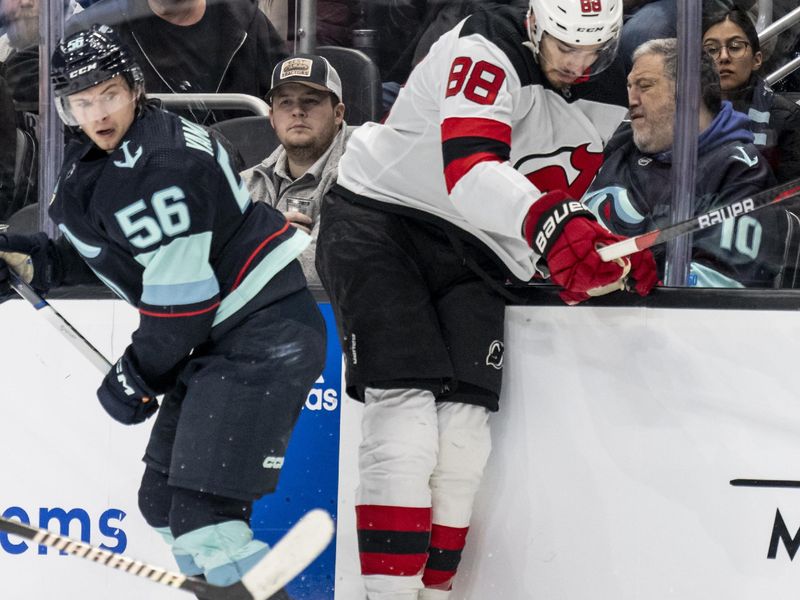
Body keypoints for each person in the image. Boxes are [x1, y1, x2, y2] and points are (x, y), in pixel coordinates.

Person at [315, 2, 658, 599]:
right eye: (564, 46)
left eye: (594, 51)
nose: (579, 64)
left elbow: (553, 194)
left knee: (465, 436)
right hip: (381, 219)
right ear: (533, 26)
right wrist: (556, 230)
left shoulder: (610, 81)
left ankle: (434, 593)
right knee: (404, 421)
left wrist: (604, 250)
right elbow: (472, 169)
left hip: (481, 247)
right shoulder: (486, 43)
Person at [0, 24, 325, 597]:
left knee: (204, 514)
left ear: (133, 88)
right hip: (231, 339)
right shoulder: (115, 154)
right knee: (163, 502)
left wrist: (136, 375)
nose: (96, 112)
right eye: (80, 101)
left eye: (107, 95)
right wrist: (35, 263)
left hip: (262, 335)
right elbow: (126, 257)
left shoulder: (162, 164)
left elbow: (183, 303)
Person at [584, 37, 786, 288]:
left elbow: (723, 287)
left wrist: (625, 277)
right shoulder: (617, 144)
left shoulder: (738, 168)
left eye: (645, 86)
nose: (632, 99)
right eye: (629, 87)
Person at [67, 0, 288, 124]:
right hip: (135, 178)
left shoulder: (244, 21)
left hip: (236, 177)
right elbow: (41, 76)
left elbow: (288, 96)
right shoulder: (97, 27)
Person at [241, 54, 352, 289]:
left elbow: (323, 270)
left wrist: (247, 246)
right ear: (272, 117)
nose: (297, 111)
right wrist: (266, 238)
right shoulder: (248, 182)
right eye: (285, 103)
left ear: (338, 113)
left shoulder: (358, 174)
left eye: (310, 101)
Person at [702, 7, 800, 183]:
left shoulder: (786, 117)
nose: (723, 57)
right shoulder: (683, 112)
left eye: (735, 47)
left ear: (757, 60)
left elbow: (790, 198)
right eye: (711, 50)